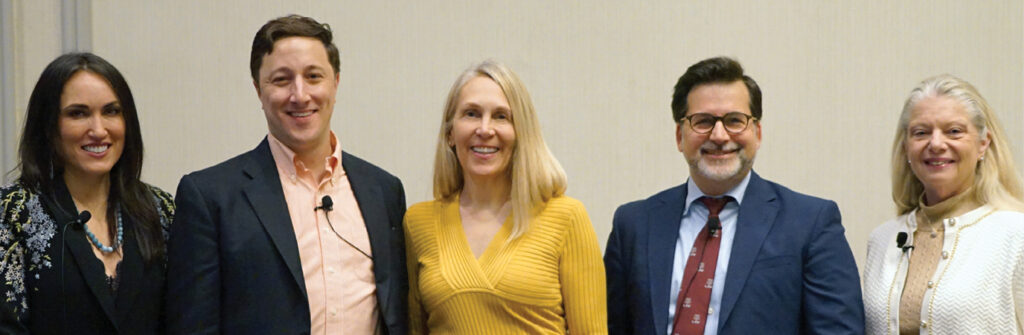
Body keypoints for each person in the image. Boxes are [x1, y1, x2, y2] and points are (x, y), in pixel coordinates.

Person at [165, 15, 407, 334]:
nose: (300, 95)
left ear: (335, 83)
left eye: (313, 76)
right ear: (258, 90)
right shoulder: (210, 197)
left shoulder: (384, 191)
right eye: (281, 80)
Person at [604, 56, 864, 334]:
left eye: (734, 121)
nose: (718, 135)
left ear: (757, 133)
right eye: (702, 121)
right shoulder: (633, 225)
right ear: (680, 136)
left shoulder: (810, 223)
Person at [404, 60, 607, 334]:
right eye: (472, 114)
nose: (485, 129)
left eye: (501, 116)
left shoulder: (566, 218)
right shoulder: (418, 223)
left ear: (521, 132)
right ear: (450, 133)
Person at [0, 53, 174, 334]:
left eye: (111, 111)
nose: (98, 129)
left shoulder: (161, 210)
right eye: (78, 113)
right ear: (49, 126)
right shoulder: (12, 213)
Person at [863, 74, 1024, 334]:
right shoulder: (882, 239)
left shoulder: (1016, 235)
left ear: (983, 144)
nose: (936, 144)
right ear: (906, 148)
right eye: (921, 132)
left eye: (954, 131)